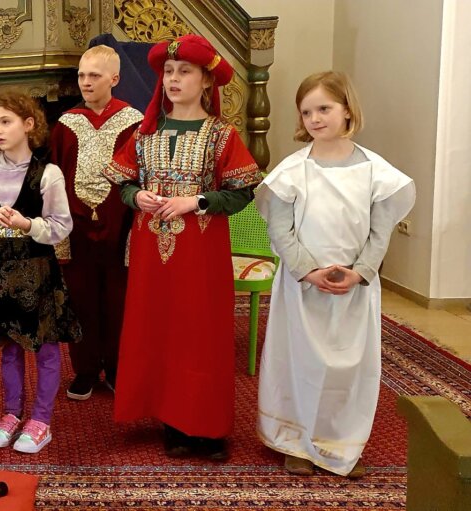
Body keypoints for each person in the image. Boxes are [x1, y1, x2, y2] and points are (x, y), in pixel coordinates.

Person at [104, 34, 262, 461]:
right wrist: (136, 197)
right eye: (168, 72)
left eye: (185, 72)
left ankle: (208, 427)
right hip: (151, 250)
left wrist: (196, 201)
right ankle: (171, 421)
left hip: (201, 250)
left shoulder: (221, 136)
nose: (174, 79)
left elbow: (242, 191)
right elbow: (122, 182)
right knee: (159, 329)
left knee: (200, 332)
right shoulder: (143, 132)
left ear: (206, 81)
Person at [256, 71, 415, 479]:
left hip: (354, 289)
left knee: (349, 366)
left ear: (347, 110)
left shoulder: (376, 171)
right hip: (303, 286)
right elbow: (280, 228)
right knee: (301, 361)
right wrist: (309, 270)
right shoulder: (293, 170)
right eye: (306, 111)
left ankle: (341, 442)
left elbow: (381, 230)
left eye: (324, 108)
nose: (315, 118)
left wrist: (360, 272)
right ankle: (296, 441)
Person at [0, 91, 81, 454]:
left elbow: (61, 226)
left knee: (46, 349)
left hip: (38, 272)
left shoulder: (48, 173)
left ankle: (41, 420)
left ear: (28, 125)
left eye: (6, 121)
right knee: (9, 349)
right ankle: (11, 414)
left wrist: (28, 224)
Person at [48, 45, 142, 401]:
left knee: (119, 299)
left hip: (121, 227)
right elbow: (55, 178)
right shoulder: (65, 124)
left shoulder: (134, 123)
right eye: (81, 76)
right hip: (76, 228)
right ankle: (85, 369)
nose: (86, 82)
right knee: (81, 298)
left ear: (114, 79)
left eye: (95, 76)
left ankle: (117, 366)